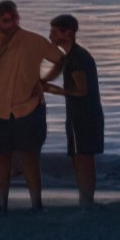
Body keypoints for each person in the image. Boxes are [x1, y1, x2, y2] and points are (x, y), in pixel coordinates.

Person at [0, 0, 58, 213]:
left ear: (17, 18)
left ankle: (36, 203)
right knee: (0, 156)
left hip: (28, 107)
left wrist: (44, 82)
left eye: (12, 19)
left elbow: (60, 59)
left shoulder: (33, 40)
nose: (9, 23)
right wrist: (3, 47)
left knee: (30, 156)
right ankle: (1, 204)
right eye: (4, 20)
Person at [45, 13, 106, 205]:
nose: (50, 36)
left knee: (84, 159)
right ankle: (85, 198)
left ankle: (87, 200)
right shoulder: (68, 57)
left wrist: (55, 91)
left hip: (85, 115)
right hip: (77, 115)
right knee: (78, 157)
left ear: (68, 33)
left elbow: (81, 90)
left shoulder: (78, 58)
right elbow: (52, 73)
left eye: (54, 32)